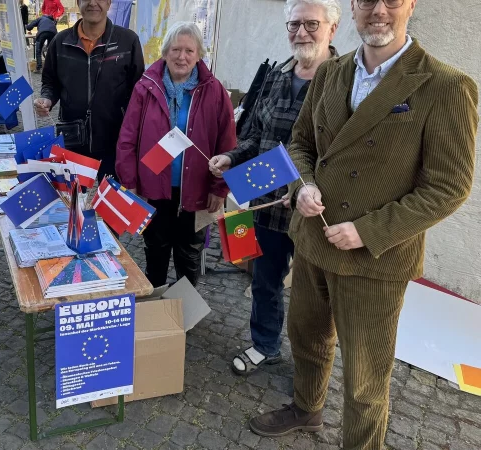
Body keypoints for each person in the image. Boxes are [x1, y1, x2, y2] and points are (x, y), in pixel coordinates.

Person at [248, 0, 478, 447]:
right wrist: (303, 186)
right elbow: (300, 144)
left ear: (411, 5)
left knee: (365, 380)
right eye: (367, 1)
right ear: (353, 8)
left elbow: (448, 187)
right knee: (306, 338)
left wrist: (368, 231)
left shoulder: (446, 85)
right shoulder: (331, 73)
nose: (378, 10)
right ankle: (306, 409)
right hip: (314, 239)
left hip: (375, 257)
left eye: (391, 0)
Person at [208, 0, 340, 376]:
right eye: (294, 24)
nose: (301, 32)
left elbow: (345, 154)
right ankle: (265, 345)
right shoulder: (276, 75)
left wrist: (306, 188)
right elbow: (254, 133)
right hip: (268, 202)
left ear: (332, 28)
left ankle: (311, 367)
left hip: (315, 208)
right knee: (265, 280)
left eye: (311, 24)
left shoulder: (344, 81)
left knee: (314, 295)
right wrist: (231, 157)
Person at [116, 22, 235, 288]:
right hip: (153, 188)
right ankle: (156, 308)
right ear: (165, 52)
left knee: (189, 256)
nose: (182, 57)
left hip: (197, 188)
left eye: (189, 51)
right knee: (155, 252)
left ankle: (185, 309)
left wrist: (219, 188)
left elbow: (227, 143)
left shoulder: (213, 90)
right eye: (176, 49)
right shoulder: (145, 87)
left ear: (199, 54)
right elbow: (127, 138)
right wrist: (130, 182)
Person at [36, 0, 145, 180]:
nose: (93, 3)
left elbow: (137, 89)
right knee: (73, 195)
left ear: (109, 3)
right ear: (78, 2)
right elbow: (50, 82)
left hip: (114, 140)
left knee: (111, 196)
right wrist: (47, 98)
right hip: (73, 139)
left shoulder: (127, 41)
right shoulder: (60, 42)